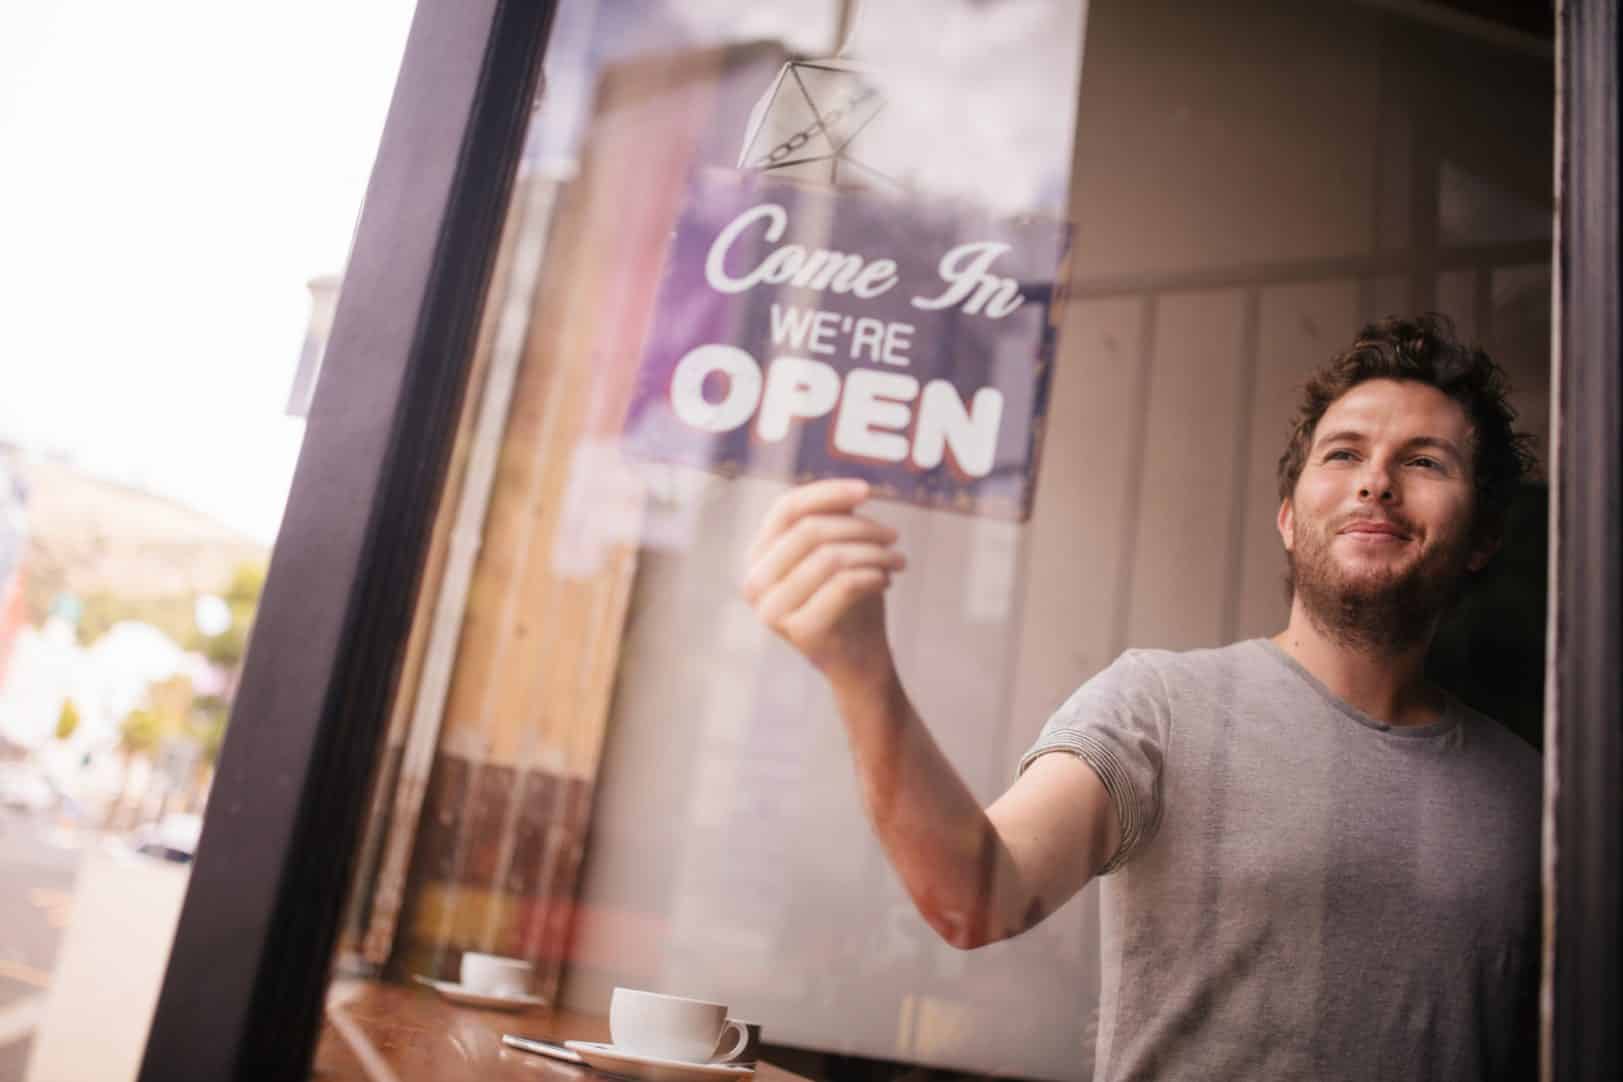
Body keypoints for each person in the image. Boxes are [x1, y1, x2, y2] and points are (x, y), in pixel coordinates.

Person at [739, 314, 1541, 1081]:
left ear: (1482, 538)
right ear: (1289, 519)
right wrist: (862, 671)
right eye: (1342, 454)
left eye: (1425, 462)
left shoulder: (1534, 795)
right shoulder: (1160, 706)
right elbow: (974, 898)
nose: (1375, 483)